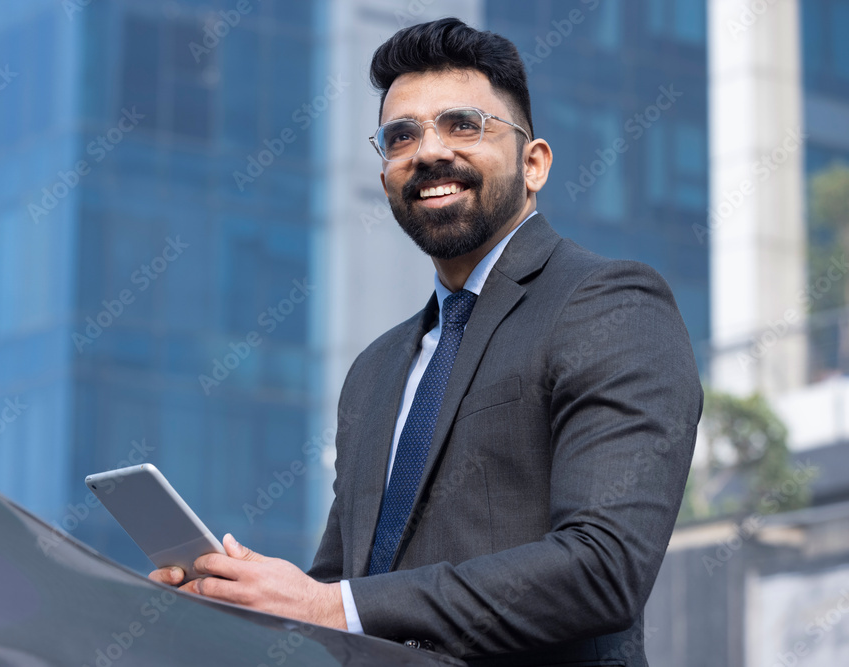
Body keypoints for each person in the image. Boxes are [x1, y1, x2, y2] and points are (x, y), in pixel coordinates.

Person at [151, 17, 702, 666]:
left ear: (534, 163)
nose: (429, 151)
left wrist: (334, 605)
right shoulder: (375, 370)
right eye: (400, 136)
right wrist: (248, 603)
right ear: (385, 173)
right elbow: (338, 592)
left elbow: (602, 566)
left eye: (463, 124)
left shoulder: (608, 305)